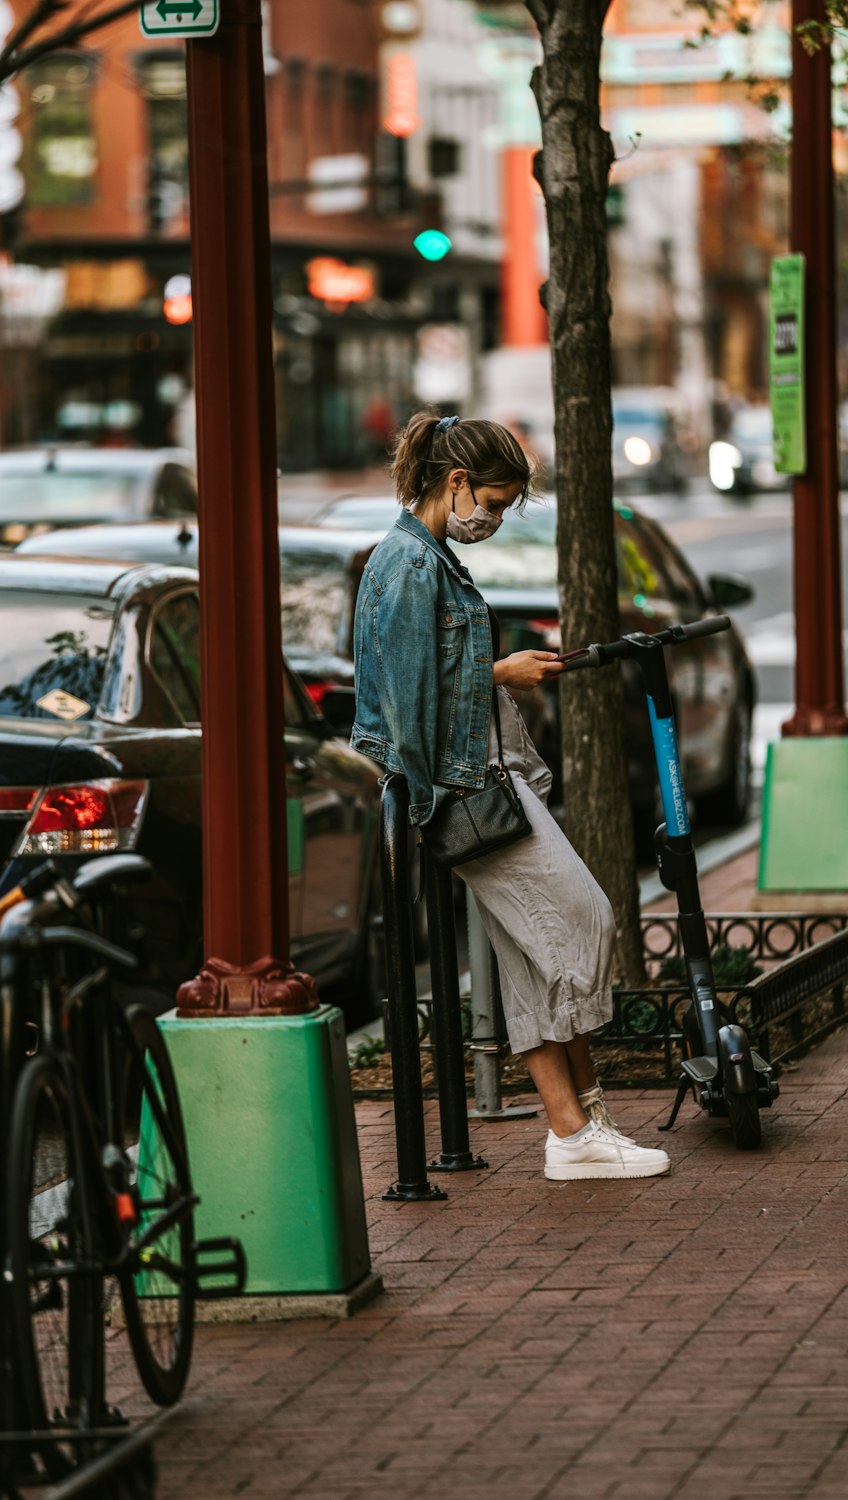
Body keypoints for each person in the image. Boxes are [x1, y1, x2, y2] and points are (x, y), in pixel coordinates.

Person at [350, 411, 670, 1183]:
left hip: (480, 779)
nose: (490, 519)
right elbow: (405, 701)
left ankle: (579, 1127)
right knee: (582, 922)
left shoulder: (426, 556)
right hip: (467, 789)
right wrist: (501, 673)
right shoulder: (410, 564)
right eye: (490, 503)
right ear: (454, 481)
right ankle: (573, 1129)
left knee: (534, 954)